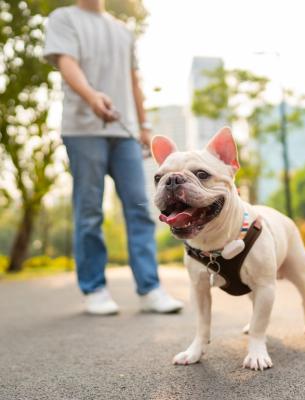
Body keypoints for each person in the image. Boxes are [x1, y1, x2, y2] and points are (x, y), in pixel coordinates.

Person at [43, 0, 183, 315]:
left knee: (140, 208)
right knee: (89, 210)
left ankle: (150, 288)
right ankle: (94, 289)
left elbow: (134, 81)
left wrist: (145, 126)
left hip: (126, 133)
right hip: (82, 130)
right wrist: (92, 97)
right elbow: (67, 63)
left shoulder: (123, 31)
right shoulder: (63, 18)